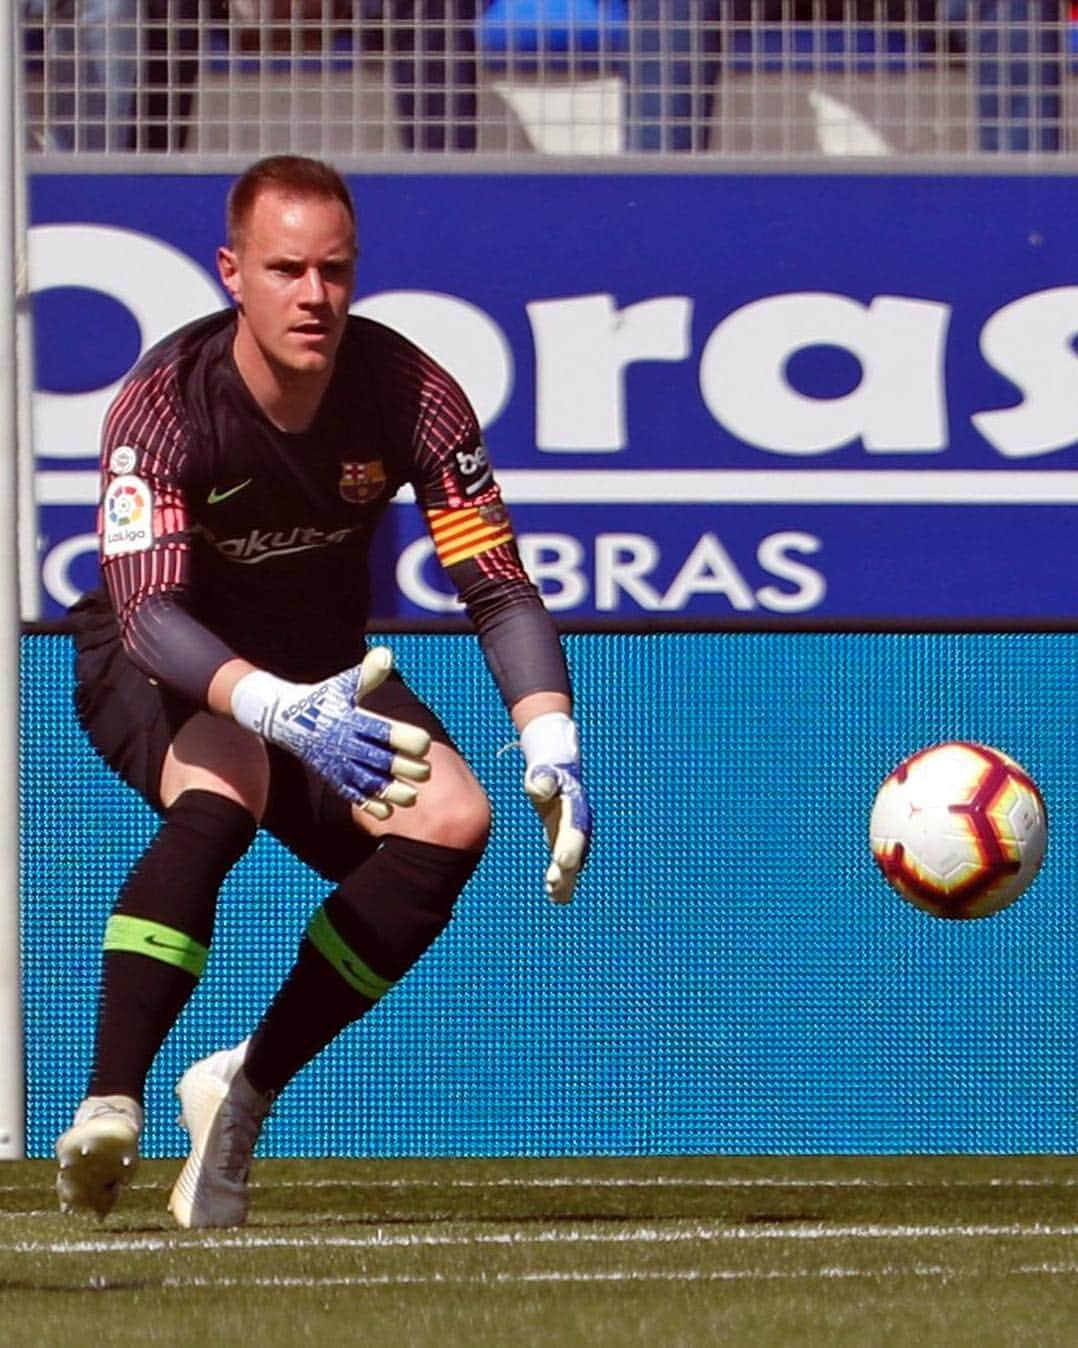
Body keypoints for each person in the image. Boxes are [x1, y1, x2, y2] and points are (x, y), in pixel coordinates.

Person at [53, 153, 592, 1228]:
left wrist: (550, 737)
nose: (314, 295)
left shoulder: (413, 392)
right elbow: (153, 613)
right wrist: (273, 708)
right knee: (229, 778)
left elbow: (495, 582)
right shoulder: (162, 406)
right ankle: (109, 1100)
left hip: (317, 663)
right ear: (231, 273)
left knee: (453, 816)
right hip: (161, 656)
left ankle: (238, 1092)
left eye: (335, 270)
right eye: (286, 268)